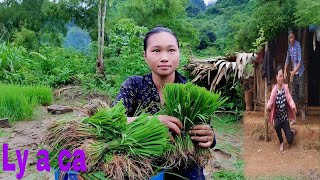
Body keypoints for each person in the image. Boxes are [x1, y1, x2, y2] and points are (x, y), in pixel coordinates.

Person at [113, 26, 216, 180]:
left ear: (179, 54)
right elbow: (113, 121)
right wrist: (152, 121)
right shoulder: (133, 86)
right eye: (156, 51)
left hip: (183, 166)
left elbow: (206, 132)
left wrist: (210, 136)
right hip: (140, 164)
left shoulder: (192, 92)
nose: (164, 57)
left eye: (171, 50)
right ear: (145, 56)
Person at [267, 66, 297, 151]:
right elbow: (271, 100)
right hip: (277, 117)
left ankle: (292, 132)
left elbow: (289, 98)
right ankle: (281, 142)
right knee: (276, 125)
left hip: (284, 118)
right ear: (276, 77)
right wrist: (267, 107)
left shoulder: (285, 88)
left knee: (290, 140)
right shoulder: (274, 89)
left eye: (282, 76)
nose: (281, 78)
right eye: (280, 76)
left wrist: (293, 106)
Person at [284, 31, 305, 121]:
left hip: (299, 73)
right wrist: (285, 71)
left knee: (300, 94)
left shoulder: (298, 45)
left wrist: (293, 72)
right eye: (289, 38)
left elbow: (300, 61)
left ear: (294, 37)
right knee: (293, 95)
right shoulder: (289, 47)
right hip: (293, 73)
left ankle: (302, 109)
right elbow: (287, 60)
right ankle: (294, 116)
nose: (291, 39)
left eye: (292, 37)